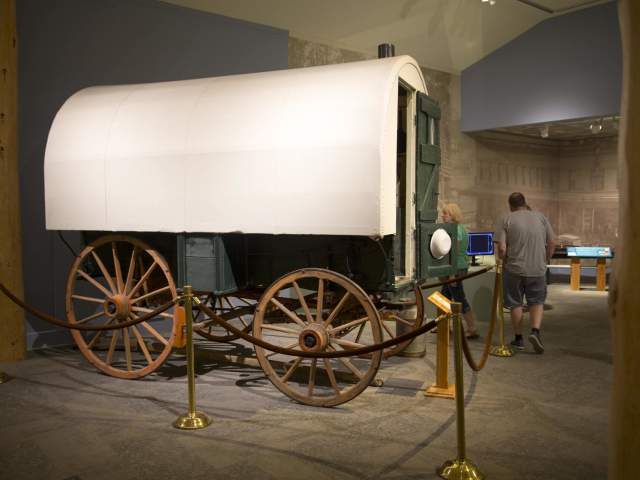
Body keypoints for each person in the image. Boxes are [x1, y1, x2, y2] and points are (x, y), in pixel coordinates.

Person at [496, 192, 556, 353]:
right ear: (524, 203)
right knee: (537, 301)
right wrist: (545, 260)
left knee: (515, 303)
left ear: (510, 205)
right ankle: (535, 331)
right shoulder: (541, 217)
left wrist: (502, 260)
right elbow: (551, 242)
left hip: (514, 268)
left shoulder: (506, 218)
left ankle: (518, 339)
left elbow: (502, 248)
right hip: (537, 269)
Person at [440, 203, 479, 339]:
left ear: (452, 215)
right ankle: (444, 327)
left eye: (446, 213)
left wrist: (451, 274)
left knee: (459, 299)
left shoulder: (456, 230)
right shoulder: (458, 228)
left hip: (455, 269)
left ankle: (472, 328)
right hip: (456, 268)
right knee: (444, 297)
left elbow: (453, 254)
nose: (442, 215)